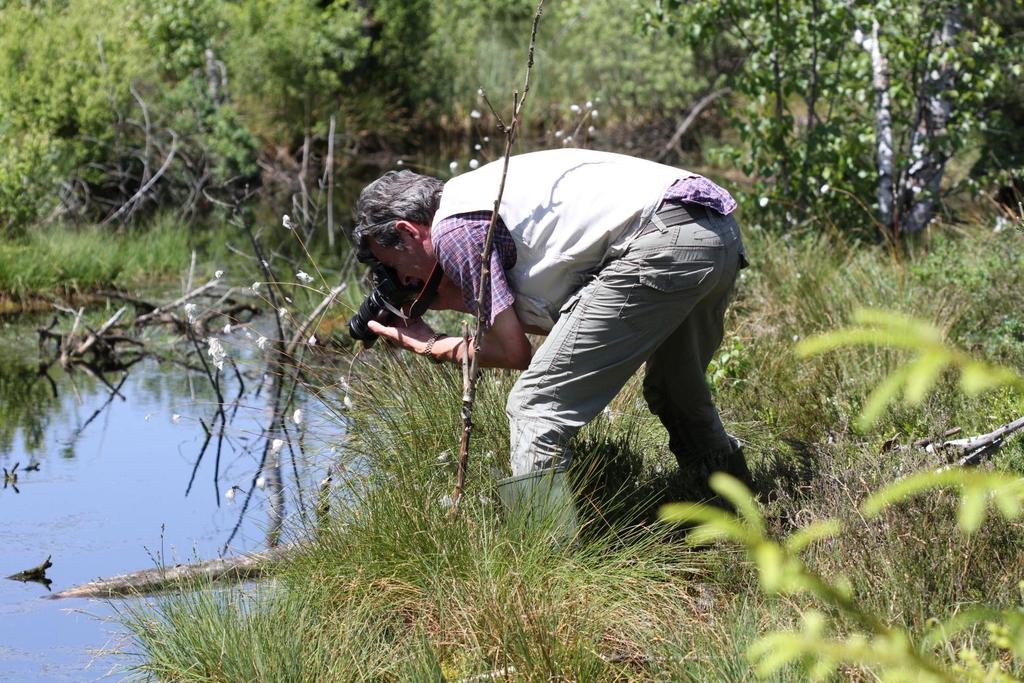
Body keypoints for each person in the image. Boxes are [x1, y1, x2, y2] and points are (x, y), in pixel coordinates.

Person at [353, 148, 752, 530]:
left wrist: (427, 343)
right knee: (674, 387)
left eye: (395, 267)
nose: (406, 282)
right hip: (711, 231)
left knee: (534, 408)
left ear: (407, 231)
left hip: (660, 241)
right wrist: (460, 297)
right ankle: (739, 509)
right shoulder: (481, 194)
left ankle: (543, 559)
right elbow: (575, 324)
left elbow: (515, 353)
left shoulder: (452, 232)